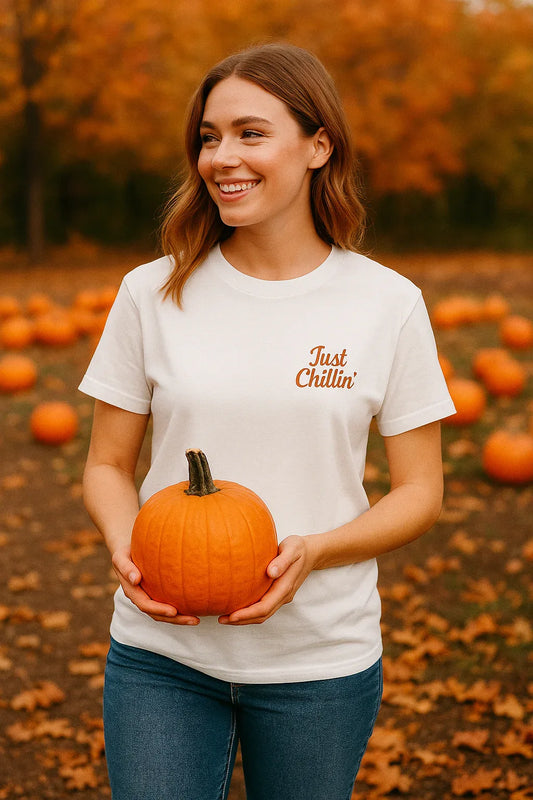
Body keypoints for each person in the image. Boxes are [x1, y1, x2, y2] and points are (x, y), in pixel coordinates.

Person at [80, 42, 455, 800]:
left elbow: (419, 491)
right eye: (209, 137)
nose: (222, 156)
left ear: (319, 146)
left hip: (318, 661)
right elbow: (106, 465)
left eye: (250, 133)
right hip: (161, 656)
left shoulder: (385, 303)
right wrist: (131, 549)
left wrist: (315, 551)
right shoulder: (150, 293)